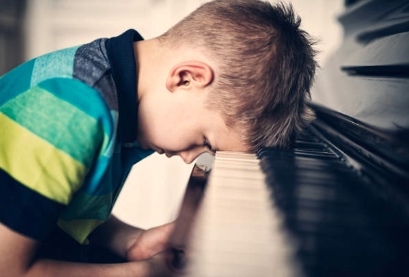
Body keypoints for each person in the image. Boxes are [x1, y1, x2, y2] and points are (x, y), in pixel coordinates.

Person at [0, 0, 316, 276]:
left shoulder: (120, 103)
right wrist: (143, 272)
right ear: (186, 78)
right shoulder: (72, 110)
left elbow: (51, 210)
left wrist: (129, 241)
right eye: (205, 141)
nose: (192, 157)